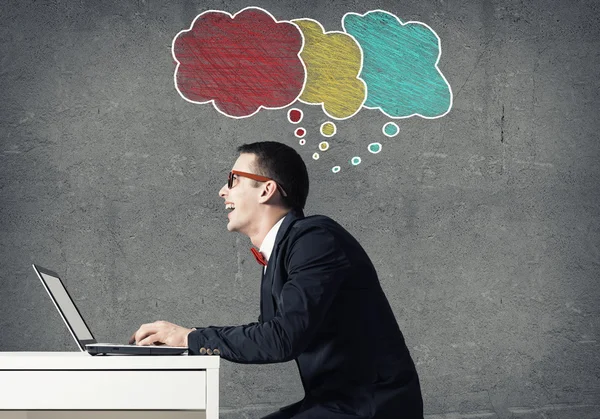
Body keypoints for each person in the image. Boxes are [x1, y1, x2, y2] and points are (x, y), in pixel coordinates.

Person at [130, 141, 424, 418]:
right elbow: (270, 333)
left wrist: (190, 337)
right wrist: (187, 337)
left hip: (370, 408)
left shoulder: (315, 238)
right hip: (334, 404)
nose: (223, 191)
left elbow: (282, 339)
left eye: (233, 179)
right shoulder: (282, 251)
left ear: (266, 190)